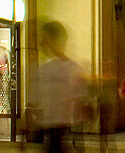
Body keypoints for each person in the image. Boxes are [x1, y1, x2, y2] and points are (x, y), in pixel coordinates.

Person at [35, 21, 89, 153]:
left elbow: (80, 96)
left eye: (45, 38)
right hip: (51, 125)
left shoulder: (71, 68)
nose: (41, 43)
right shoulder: (44, 68)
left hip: (60, 125)